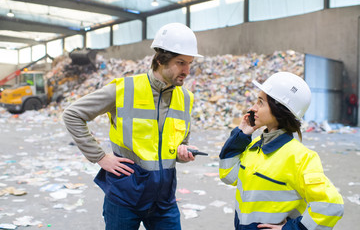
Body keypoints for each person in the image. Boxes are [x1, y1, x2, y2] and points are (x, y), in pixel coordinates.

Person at [63, 22, 203, 230]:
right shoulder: (124, 89)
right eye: (180, 62)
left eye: (190, 63)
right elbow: (73, 114)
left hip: (163, 201)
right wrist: (100, 157)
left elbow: (180, 143)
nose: (187, 70)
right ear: (160, 60)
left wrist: (183, 153)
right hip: (124, 197)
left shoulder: (185, 97)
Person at [219, 72, 344, 230]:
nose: (252, 108)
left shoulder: (301, 158)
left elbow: (330, 205)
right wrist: (240, 136)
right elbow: (228, 175)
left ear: (280, 109)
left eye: (260, 102)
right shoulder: (255, 146)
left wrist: (291, 229)